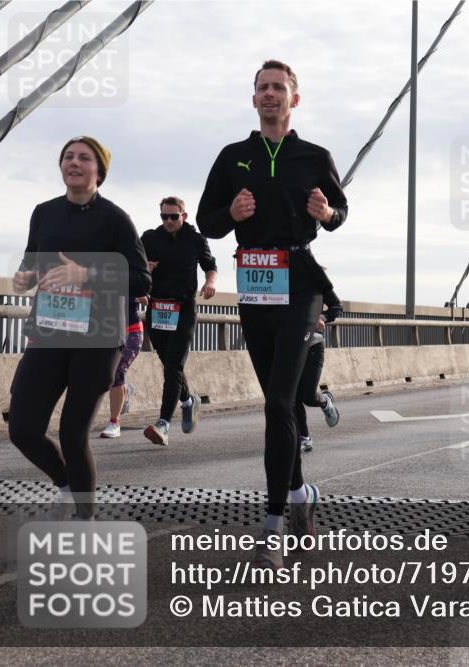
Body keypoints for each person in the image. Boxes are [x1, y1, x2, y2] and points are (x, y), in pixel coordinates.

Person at [197, 60, 348, 568]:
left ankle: (272, 524)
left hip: (301, 282)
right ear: (253, 98)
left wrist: (326, 214)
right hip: (256, 288)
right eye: (262, 87)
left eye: (278, 88)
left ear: (294, 99)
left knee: (280, 400)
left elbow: (340, 214)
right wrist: (230, 215)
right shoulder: (234, 156)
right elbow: (205, 222)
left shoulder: (314, 156)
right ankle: (303, 495)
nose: (269, 95)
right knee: (278, 405)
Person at [9, 136, 150, 519]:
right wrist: (25, 277)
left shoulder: (115, 219)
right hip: (50, 332)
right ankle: (66, 485)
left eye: (84, 158)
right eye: (68, 157)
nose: (74, 162)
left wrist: (86, 273)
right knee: (22, 428)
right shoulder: (44, 213)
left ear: (99, 171)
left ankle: (84, 520)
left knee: (73, 435)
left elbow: (140, 280)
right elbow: (32, 260)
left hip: (99, 337)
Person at [140, 196, 218, 445]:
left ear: (184, 216)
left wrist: (210, 282)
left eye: (174, 216)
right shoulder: (149, 238)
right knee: (168, 363)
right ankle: (187, 400)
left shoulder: (195, 239)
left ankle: (163, 423)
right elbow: (132, 267)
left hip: (183, 308)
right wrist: (144, 271)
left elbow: (210, 265)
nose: (169, 221)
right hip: (157, 307)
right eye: (164, 216)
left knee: (173, 365)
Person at [295, 288, 342, 452]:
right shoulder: (282, 281)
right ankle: (304, 437)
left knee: (307, 396)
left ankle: (325, 401)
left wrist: (322, 317)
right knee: (291, 395)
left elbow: (337, 306)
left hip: (313, 347)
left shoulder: (316, 281)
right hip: (289, 347)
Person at [98, 298, 145, 438]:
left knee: (117, 372)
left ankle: (114, 423)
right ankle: (126, 389)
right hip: (106, 331)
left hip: (131, 331)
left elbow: (146, 292)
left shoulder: (132, 276)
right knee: (103, 373)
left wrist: (141, 294)